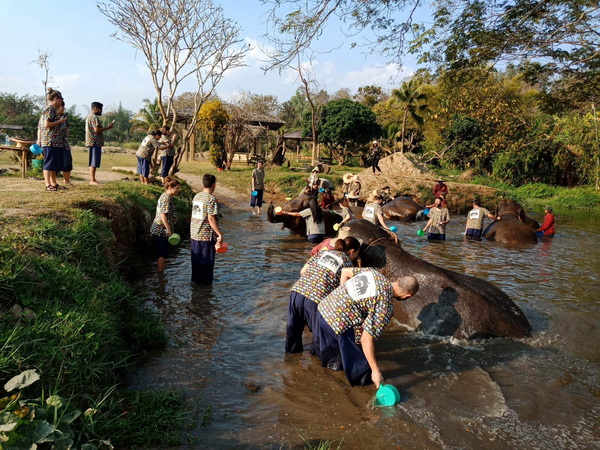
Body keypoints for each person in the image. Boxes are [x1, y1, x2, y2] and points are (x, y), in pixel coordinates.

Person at [317, 267, 419, 387]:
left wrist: (343, 300)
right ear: (407, 296)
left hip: (323, 310)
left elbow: (345, 271)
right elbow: (366, 339)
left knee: (331, 360)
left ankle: (324, 382)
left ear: (398, 279)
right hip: (338, 324)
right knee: (362, 372)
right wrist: (375, 370)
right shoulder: (385, 306)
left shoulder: (372, 272)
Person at [286, 239, 358, 356]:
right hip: (316, 299)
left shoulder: (322, 253)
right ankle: (318, 366)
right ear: (352, 251)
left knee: (293, 332)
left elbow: (302, 271)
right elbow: (342, 291)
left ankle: (290, 361)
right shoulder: (347, 263)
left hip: (297, 292)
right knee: (319, 336)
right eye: (356, 254)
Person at [190, 174, 224, 285]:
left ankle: (195, 282)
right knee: (207, 263)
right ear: (214, 185)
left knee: (196, 261)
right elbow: (211, 218)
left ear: (203, 184)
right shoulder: (211, 199)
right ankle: (205, 289)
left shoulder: (197, 196)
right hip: (205, 236)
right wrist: (219, 234)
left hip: (194, 234)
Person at [38, 88, 68, 191]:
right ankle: (47, 184)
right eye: (61, 99)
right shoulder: (49, 109)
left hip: (56, 141)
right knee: (49, 163)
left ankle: (54, 183)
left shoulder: (53, 110)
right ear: (56, 98)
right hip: (49, 140)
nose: (61, 102)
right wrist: (60, 121)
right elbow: (47, 125)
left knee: (54, 164)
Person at [150, 177, 181, 272]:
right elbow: (163, 215)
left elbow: (166, 212)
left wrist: (173, 217)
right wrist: (168, 229)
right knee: (162, 253)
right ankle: (160, 274)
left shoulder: (166, 197)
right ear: (170, 187)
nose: (178, 191)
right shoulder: (166, 199)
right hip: (161, 230)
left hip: (161, 229)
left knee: (163, 252)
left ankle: (160, 272)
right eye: (177, 188)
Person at [85, 101, 114, 185]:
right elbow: (96, 130)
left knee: (93, 160)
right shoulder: (93, 117)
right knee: (94, 161)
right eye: (100, 109)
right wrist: (108, 127)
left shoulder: (89, 117)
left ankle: (93, 179)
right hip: (94, 141)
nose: (101, 111)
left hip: (92, 141)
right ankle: (92, 180)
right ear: (95, 108)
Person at [55, 100, 73, 186]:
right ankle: (52, 181)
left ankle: (66, 180)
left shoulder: (65, 118)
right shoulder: (52, 117)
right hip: (54, 143)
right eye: (62, 106)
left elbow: (67, 130)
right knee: (54, 163)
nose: (63, 108)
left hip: (64, 143)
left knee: (67, 161)